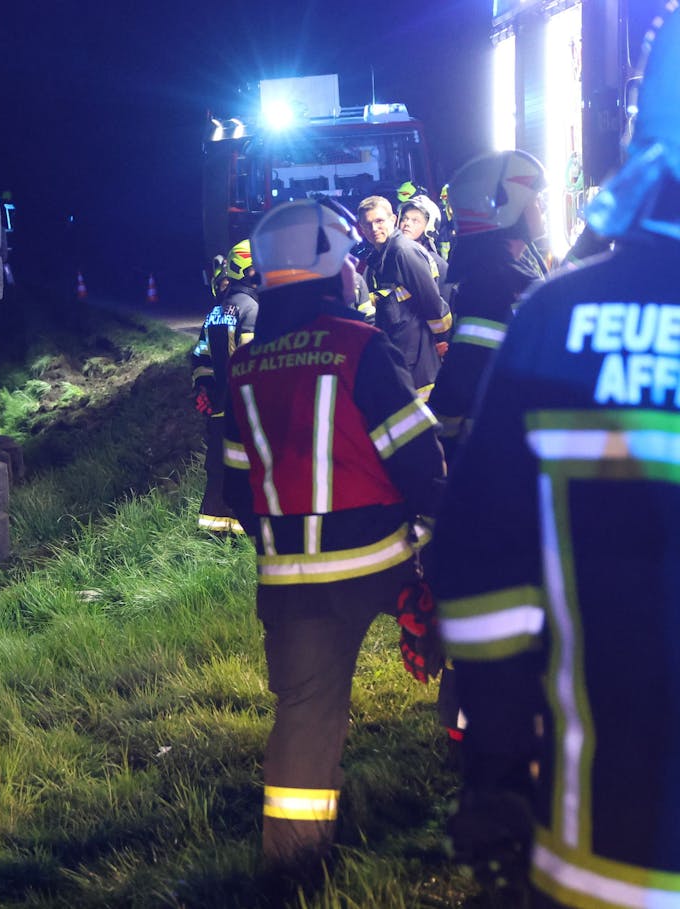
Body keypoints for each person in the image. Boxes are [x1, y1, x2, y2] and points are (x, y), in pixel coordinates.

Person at [432, 12, 680, 906]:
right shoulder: (514, 282)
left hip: (601, 846)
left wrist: (498, 747)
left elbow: (476, 559)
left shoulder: (557, 317)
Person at [222, 198, 445, 879]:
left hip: (290, 577)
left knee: (307, 715)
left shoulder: (245, 368)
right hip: (380, 558)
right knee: (479, 623)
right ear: (329, 269)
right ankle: (488, 778)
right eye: (348, 258)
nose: (356, 268)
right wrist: (442, 544)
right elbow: (417, 459)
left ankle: (293, 867)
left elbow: (235, 487)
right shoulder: (360, 346)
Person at [425, 150, 549, 460]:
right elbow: (462, 375)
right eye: (535, 201)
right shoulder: (493, 284)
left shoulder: (509, 271)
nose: (542, 208)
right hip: (505, 453)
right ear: (506, 208)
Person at [190, 239, 259, 533]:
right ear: (250, 270)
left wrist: (204, 388)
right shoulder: (253, 309)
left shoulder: (218, 310)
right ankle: (243, 530)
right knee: (247, 469)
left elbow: (200, 356)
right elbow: (254, 364)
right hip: (244, 408)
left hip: (219, 404)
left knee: (218, 469)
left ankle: (214, 531)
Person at [356, 195, 446, 398]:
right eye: (367, 224)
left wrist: (442, 340)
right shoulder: (379, 259)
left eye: (379, 221)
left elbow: (433, 305)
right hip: (401, 360)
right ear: (361, 228)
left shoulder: (402, 252)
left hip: (420, 366)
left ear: (393, 219)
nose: (374, 228)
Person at [399, 194, 454, 353]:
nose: (407, 224)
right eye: (405, 219)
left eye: (415, 220)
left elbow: (443, 312)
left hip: (428, 350)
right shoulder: (390, 259)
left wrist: (442, 342)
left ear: (429, 227)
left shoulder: (438, 265)